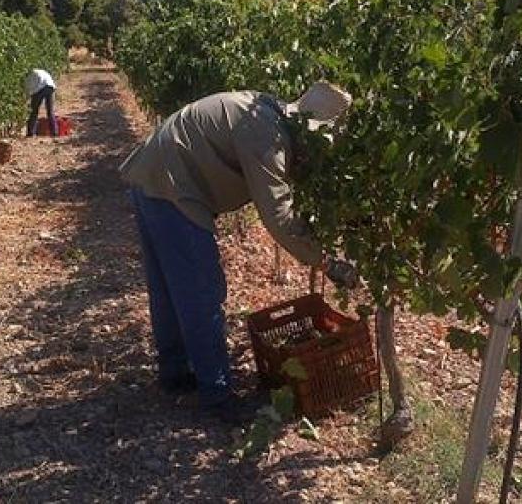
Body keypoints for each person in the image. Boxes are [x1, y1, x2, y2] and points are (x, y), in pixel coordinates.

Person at [119, 82, 360, 423]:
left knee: (170, 289)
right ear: (309, 131)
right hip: (174, 187)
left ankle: (174, 374)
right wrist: (326, 261)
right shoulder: (267, 136)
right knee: (202, 290)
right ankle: (216, 395)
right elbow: (278, 216)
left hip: (152, 177)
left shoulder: (267, 114)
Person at [25, 68, 58, 137]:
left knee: (34, 110)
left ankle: (30, 132)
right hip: (50, 87)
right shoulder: (39, 71)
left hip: (41, 88)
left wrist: (27, 98)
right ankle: (54, 132)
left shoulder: (30, 77)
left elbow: (31, 90)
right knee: (50, 111)